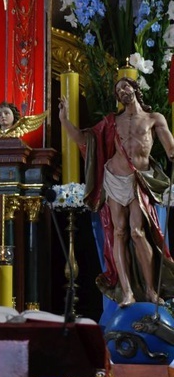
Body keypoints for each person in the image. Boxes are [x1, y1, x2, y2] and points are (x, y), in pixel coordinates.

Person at [58, 77, 174, 306]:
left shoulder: (154, 119)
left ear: (135, 89)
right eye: (118, 90)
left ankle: (151, 290)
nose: (122, 91)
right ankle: (127, 291)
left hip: (140, 179)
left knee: (138, 233)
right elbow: (83, 140)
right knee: (119, 232)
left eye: (125, 86)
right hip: (114, 177)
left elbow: (170, 147)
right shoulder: (112, 122)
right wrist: (64, 120)